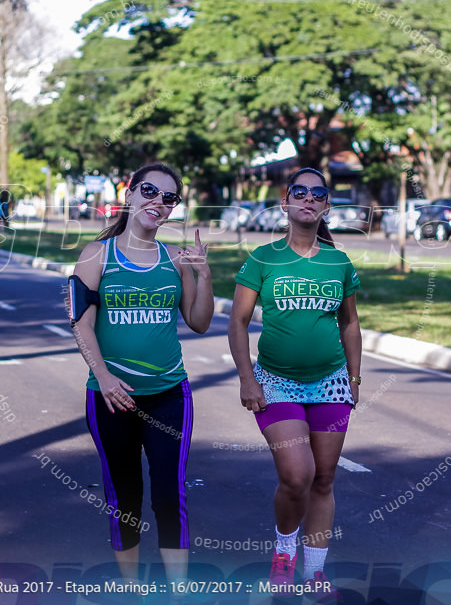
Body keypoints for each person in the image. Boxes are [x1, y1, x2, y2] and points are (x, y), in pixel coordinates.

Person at [69, 163, 213, 589]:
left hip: (169, 395)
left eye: (170, 198)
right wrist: (105, 377)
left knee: (170, 495)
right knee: (124, 498)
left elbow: (199, 321)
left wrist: (204, 275)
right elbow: (81, 324)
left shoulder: (174, 259)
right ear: (129, 194)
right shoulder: (97, 254)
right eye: (150, 191)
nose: (159, 202)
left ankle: (179, 594)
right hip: (111, 398)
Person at [228, 167, 361, 601]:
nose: (308, 199)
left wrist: (354, 378)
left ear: (326, 206)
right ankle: (284, 549)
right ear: (286, 202)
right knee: (297, 474)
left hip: (330, 383)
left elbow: (350, 323)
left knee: (324, 479)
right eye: (299, 192)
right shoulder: (263, 259)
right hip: (276, 382)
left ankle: (315, 572)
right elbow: (238, 321)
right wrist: (248, 379)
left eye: (317, 194)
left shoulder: (338, 262)